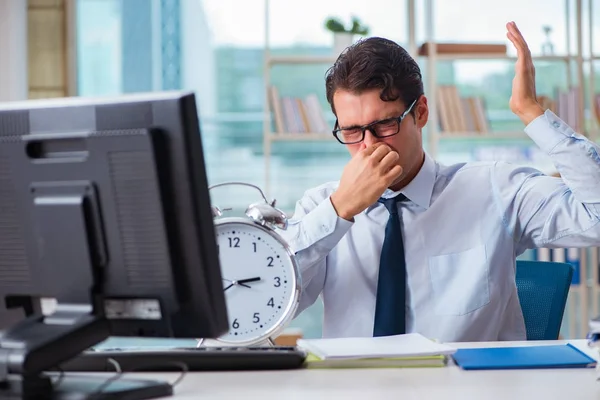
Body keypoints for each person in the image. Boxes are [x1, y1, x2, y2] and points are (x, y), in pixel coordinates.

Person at [278, 22, 600, 342]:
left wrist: (531, 112)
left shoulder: (496, 190)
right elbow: (269, 303)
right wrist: (338, 211)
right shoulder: (320, 208)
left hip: (468, 388)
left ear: (420, 113)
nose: (368, 146)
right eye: (351, 131)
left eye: (385, 125)